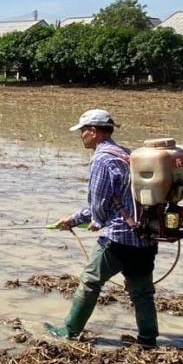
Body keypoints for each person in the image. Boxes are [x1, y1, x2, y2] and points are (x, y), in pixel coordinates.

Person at [44, 108, 158, 348]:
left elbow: (99, 203)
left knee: (90, 281)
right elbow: (118, 200)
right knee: (142, 292)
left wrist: (95, 221)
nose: (81, 135)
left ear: (94, 132)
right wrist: (74, 220)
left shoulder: (102, 159)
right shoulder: (125, 154)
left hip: (117, 238)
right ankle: (148, 340)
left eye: (83, 131)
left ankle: (69, 330)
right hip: (145, 236)